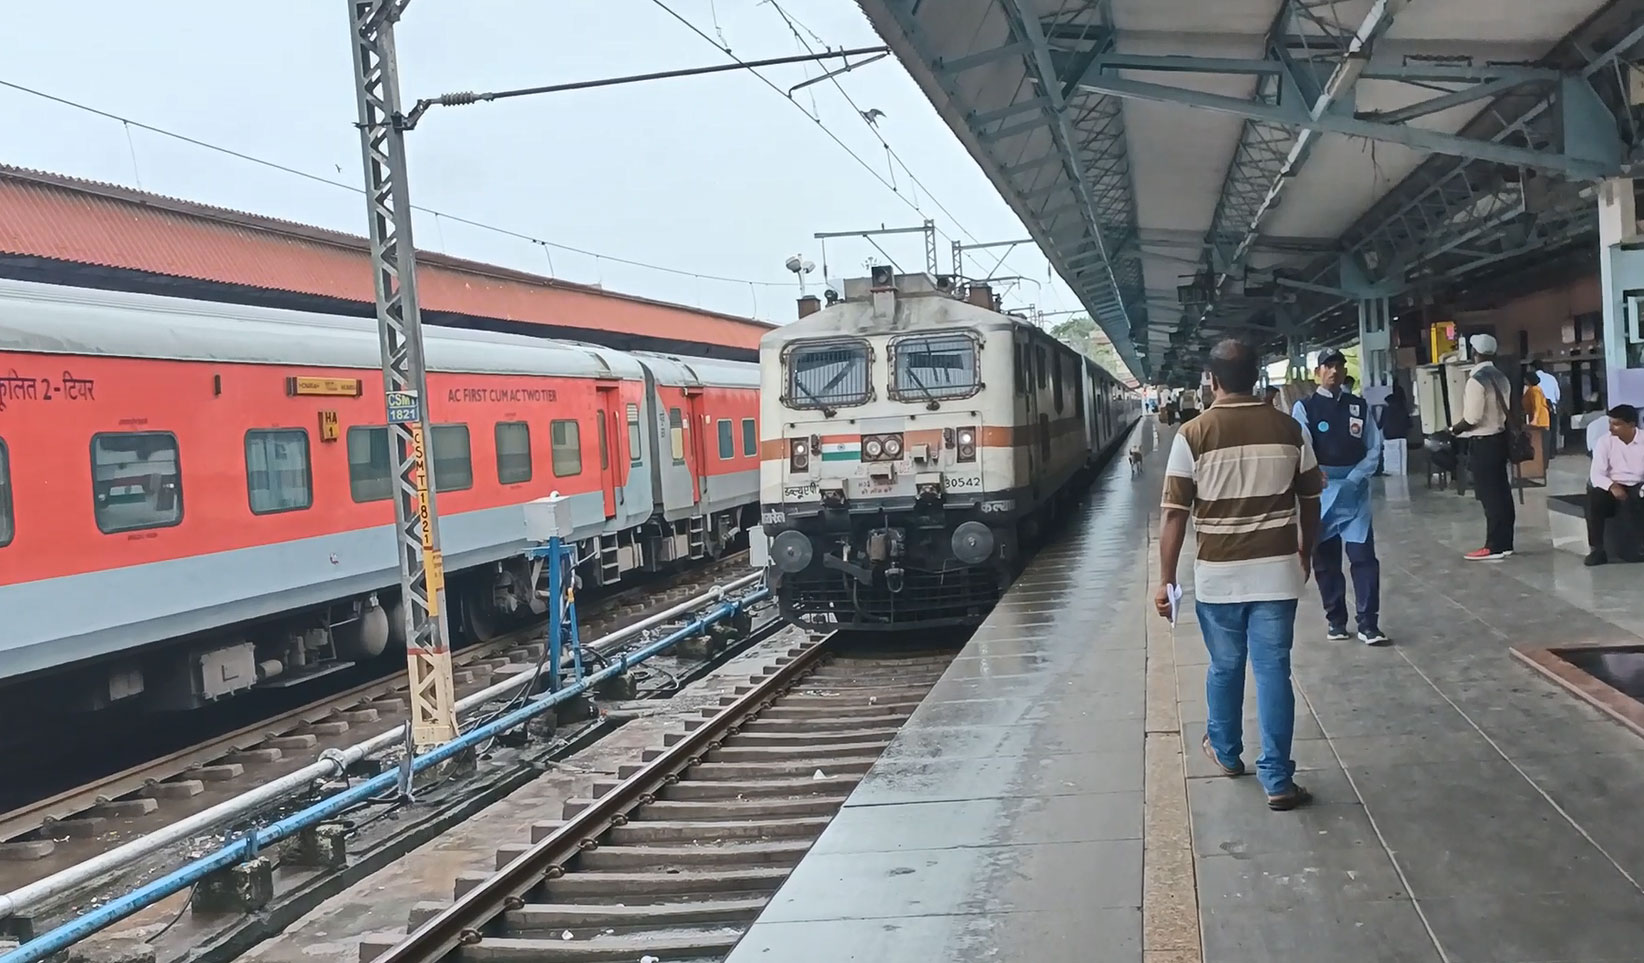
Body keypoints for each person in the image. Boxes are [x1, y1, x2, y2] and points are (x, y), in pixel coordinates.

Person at [1157, 339, 1323, 812]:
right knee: (1274, 672)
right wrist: (1304, 552)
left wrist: (1164, 579)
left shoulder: (1192, 434)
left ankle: (1227, 753)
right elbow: (1311, 499)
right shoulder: (1290, 430)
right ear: (1256, 376)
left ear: (1211, 380)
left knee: (1225, 667)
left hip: (1219, 578)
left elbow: (1174, 515)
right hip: (1276, 574)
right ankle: (1278, 780)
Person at [1291, 349, 1388, 645]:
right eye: (1328, 366)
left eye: (1339, 366)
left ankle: (1368, 623)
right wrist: (1313, 472)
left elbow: (1374, 446)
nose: (1334, 371)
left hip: (1354, 492)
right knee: (1326, 560)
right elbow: (1302, 444)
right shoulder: (1305, 407)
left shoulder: (1358, 406)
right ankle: (1335, 619)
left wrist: (1356, 477)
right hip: (1321, 493)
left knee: (1363, 557)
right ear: (1318, 372)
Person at [1452, 333, 1515, 560]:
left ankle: (1493, 546)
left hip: (1483, 443)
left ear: (1474, 353)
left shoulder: (1476, 380)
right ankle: (1506, 542)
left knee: (1490, 496)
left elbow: (1472, 417)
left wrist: (1454, 429)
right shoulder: (1501, 377)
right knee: (1502, 493)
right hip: (1499, 440)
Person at [1585, 404, 1644, 566]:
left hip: (1639, 485)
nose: (1611, 428)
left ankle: (1635, 548)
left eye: (1616, 424)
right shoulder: (1604, 442)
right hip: (1613, 486)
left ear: (1631, 425)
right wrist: (1611, 486)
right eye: (1610, 423)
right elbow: (1596, 474)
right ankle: (1597, 550)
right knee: (1595, 497)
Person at [1379, 384, 1412, 476]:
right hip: (1401, 436)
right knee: (1401, 459)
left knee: (1390, 458)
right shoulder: (1403, 409)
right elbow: (1409, 424)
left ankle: (1390, 471)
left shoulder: (1386, 409)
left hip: (1388, 436)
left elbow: (1380, 424)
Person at [1532, 360, 1561, 456]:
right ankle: (1552, 452)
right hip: (1551, 407)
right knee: (1552, 430)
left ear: (1532, 368)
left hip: (1539, 408)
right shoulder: (1551, 378)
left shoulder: (1533, 379)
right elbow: (1557, 395)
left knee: (1541, 432)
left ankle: (1542, 452)